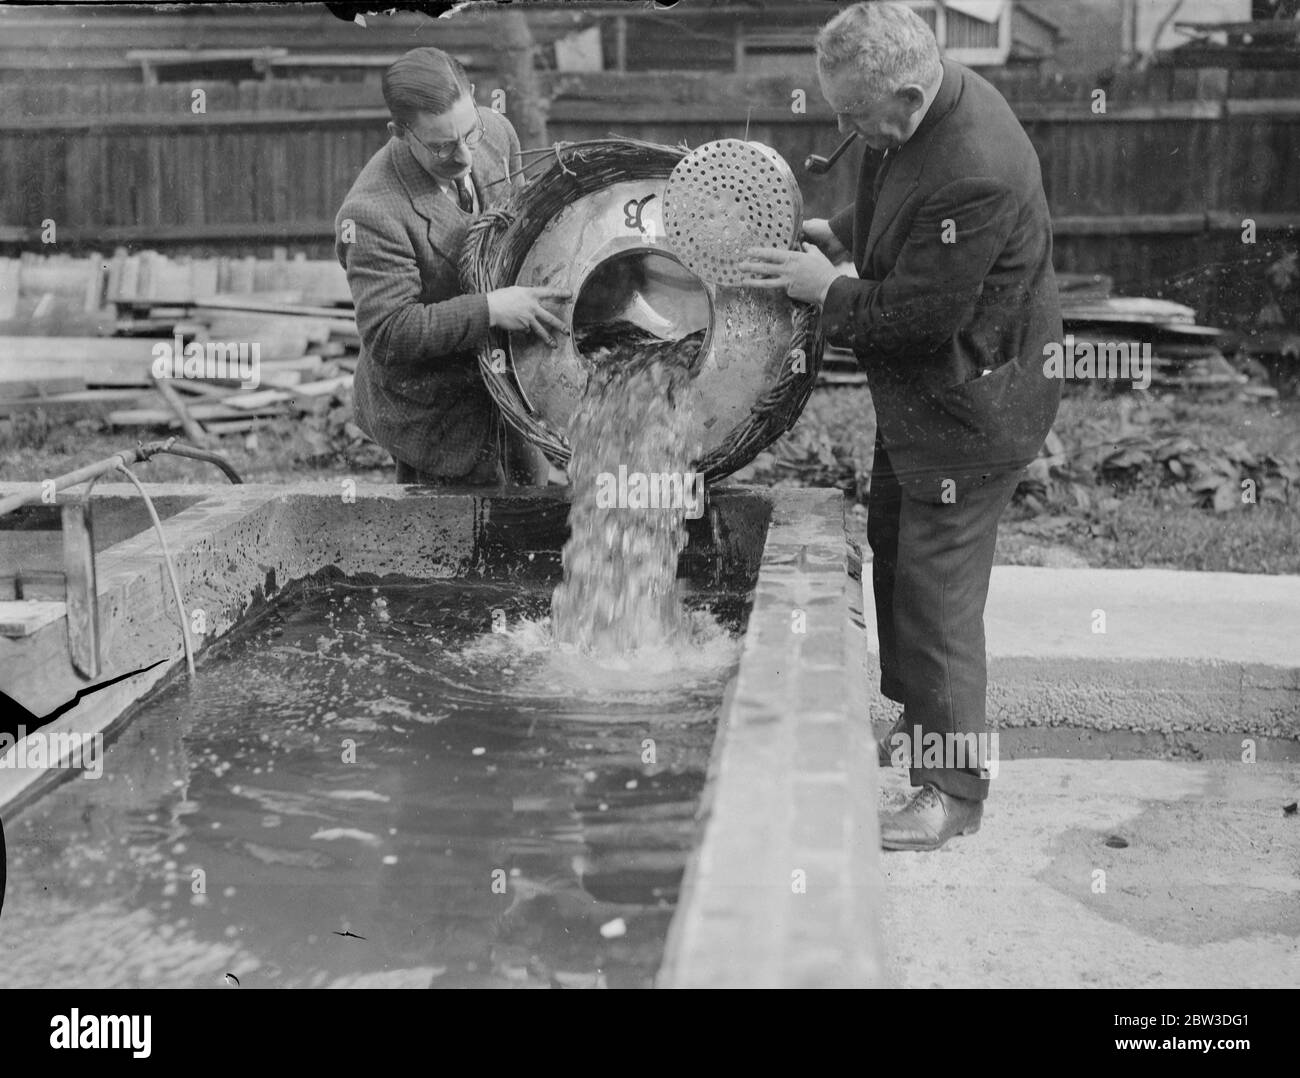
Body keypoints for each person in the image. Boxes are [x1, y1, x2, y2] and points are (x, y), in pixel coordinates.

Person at [740, 2, 1062, 851]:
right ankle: (922, 723)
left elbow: (919, 316)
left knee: (936, 593)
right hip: (928, 399)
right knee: (891, 542)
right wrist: (835, 235)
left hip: (974, 401)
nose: (845, 130)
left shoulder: (976, 167)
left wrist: (827, 288)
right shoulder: (919, 116)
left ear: (911, 97)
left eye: (854, 115)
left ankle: (951, 792)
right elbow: (891, 194)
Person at [335, 46, 569, 485]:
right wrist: (490, 310)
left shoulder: (496, 132)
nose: (463, 156)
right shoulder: (371, 213)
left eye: (469, 134)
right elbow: (390, 332)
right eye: (442, 147)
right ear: (400, 131)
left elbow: (515, 231)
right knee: (454, 542)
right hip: (437, 419)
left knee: (530, 518)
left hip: (505, 389)